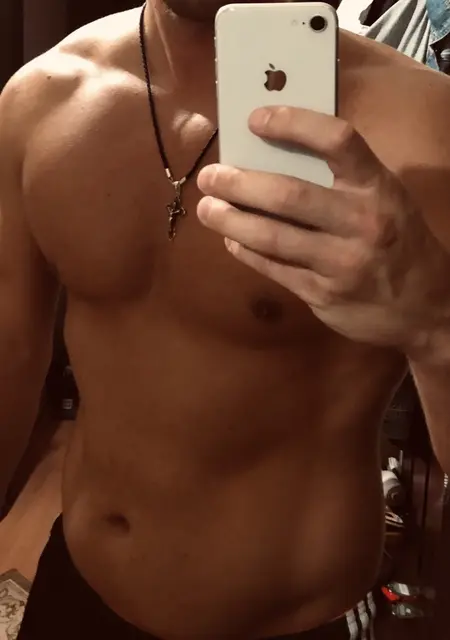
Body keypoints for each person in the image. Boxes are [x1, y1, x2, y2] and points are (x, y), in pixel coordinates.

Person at [1, 0, 450, 638]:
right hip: (76, 589)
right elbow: (12, 351)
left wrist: (436, 323)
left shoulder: (428, 129)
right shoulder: (42, 96)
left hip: (290, 622)